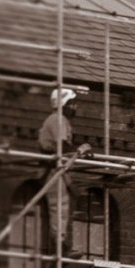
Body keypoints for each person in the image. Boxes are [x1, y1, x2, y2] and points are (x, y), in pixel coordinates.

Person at [38, 88, 91, 256]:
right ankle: (59, 247)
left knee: (63, 207)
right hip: (54, 169)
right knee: (59, 207)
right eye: (71, 103)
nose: (75, 107)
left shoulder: (59, 120)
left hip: (58, 169)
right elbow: (63, 146)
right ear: (63, 104)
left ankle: (61, 246)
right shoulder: (58, 119)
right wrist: (80, 149)